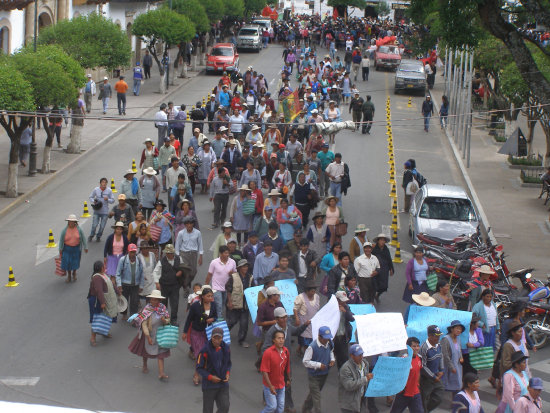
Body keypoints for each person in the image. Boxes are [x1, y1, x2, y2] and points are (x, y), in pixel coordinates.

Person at [262, 307, 309, 412]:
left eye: (285, 317)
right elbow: (264, 349)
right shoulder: (272, 332)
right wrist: (274, 354)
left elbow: (296, 331)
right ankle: (268, 397)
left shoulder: (288, 327)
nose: (284, 319)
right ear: (277, 319)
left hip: (285, 362)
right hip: (275, 364)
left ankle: (288, 405)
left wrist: (305, 325)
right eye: (282, 318)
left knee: (287, 383)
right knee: (272, 382)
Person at [128, 290, 171, 381]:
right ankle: (144, 364)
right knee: (146, 352)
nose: (154, 301)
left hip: (160, 334)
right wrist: (148, 337)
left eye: (157, 300)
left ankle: (161, 373)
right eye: (153, 299)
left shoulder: (163, 308)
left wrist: (165, 321)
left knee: (161, 353)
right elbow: (144, 324)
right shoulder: (147, 309)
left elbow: (168, 320)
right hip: (149, 334)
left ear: (159, 300)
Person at [182, 286, 217, 384]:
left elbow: (216, 316)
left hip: (208, 332)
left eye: (211, 296)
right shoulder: (195, 306)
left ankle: (204, 371)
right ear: (202, 297)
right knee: (200, 354)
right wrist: (185, 332)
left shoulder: (213, 305)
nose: (211, 298)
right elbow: (189, 319)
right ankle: (197, 374)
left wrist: (212, 319)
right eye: (208, 296)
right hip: (196, 332)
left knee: (208, 353)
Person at [196, 327, 231, 413]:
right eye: (214, 338)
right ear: (211, 337)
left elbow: (228, 363)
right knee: (208, 410)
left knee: (225, 406)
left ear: (222, 338)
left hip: (222, 384)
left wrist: (227, 373)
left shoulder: (226, 348)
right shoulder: (204, 350)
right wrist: (210, 377)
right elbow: (199, 367)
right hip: (209, 385)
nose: (216, 340)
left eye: (219, 338)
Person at [302, 326, 335, 413]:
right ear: (319, 336)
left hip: (324, 374)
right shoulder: (312, 347)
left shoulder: (329, 343)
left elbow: (331, 351)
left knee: (313, 394)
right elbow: (305, 361)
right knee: (317, 397)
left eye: (328, 338)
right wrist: (318, 365)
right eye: (325, 338)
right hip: (314, 376)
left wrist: (332, 359)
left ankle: (305, 409)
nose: (327, 340)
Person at [88, 260, 118, 347]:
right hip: (97, 300)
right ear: (101, 268)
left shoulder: (104, 275)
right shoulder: (97, 277)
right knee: (97, 318)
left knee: (107, 316)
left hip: (104, 300)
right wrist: (102, 302)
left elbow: (111, 284)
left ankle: (105, 332)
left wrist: (118, 291)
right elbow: (99, 291)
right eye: (103, 266)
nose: (105, 267)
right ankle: (93, 338)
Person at [390, 337, 423, 413]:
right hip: (403, 394)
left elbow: (418, 372)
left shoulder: (419, 358)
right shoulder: (404, 360)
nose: (416, 348)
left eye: (418, 346)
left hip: (415, 393)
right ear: (408, 347)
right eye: (414, 346)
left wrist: (417, 385)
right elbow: (396, 374)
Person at [260, 330, 291, 413]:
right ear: (273, 340)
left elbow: (287, 367)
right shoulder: (268, 353)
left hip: (281, 385)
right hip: (269, 386)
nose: (281, 340)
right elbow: (264, 371)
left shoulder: (286, 351)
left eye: (283, 338)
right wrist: (270, 386)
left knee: (280, 409)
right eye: (279, 338)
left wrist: (288, 379)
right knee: (272, 407)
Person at [174, 215, 203, 296]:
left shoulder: (198, 233)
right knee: (185, 271)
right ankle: (186, 288)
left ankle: (185, 284)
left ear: (193, 224)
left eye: (190, 223)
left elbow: (200, 244)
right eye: (187, 224)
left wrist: (201, 256)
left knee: (193, 271)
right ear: (185, 225)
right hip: (183, 254)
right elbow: (177, 245)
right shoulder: (181, 233)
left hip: (193, 254)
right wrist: (177, 256)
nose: (189, 225)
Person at [339, 343, 372, 413]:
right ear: (352, 356)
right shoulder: (345, 368)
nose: (361, 357)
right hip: (349, 404)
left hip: (361, 399)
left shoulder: (365, 364)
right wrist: (365, 379)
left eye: (361, 354)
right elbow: (349, 385)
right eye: (358, 355)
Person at [206, 245, 237, 319]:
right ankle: (219, 322)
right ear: (220, 253)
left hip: (227, 288)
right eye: (225, 253)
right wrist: (206, 286)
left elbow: (235, 274)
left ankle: (215, 317)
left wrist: (232, 273)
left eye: (228, 253)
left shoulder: (232, 262)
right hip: (216, 288)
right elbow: (209, 274)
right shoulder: (214, 262)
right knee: (219, 305)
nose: (227, 255)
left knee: (222, 305)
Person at [226, 259, 251, 347]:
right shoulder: (233, 277)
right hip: (235, 304)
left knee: (244, 324)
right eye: (244, 266)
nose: (245, 268)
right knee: (232, 321)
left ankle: (242, 340)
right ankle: (222, 333)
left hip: (245, 305)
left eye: (246, 266)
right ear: (239, 268)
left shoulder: (250, 277)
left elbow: (253, 291)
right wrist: (229, 302)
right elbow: (229, 290)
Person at [420, 325, 446, 412]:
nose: (438, 338)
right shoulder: (424, 348)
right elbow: (423, 366)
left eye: (439, 335)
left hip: (436, 376)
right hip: (426, 379)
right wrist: (433, 377)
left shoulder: (438, 345)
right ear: (429, 336)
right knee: (424, 398)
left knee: (439, 396)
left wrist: (441, 370)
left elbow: (441, 356)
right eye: (436, 336)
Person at [115, 243, 144, 319]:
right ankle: (124, 314)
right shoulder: (123, 260)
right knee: (125, 300)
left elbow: (142, 273)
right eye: (131, 252)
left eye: (134, 252)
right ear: (128, 252)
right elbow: (118, 273)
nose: (133, 254)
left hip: (135, 285)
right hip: (125, 284)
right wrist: (119, 285)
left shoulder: (139, 260)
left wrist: (141, 285)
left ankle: (133, 316)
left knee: (134, 301)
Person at [293, 279, 320, 355]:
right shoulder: (300, 297)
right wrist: (297, 318)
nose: (313, 293)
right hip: (304, 321)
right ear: (307, 291)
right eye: (311, 291)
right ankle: (307, 355)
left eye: (314, 291)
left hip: (313, 322)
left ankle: (299, 348)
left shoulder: (317, 297)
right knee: (305, 339)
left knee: (311, 337)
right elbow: (295, 308)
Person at [59, 214, 88, 283]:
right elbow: (61, 240)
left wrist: (85, 247)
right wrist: (60, 249)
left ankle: (74, 273)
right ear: (68, 222)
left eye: (72, 221)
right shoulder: (64, 230)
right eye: (70, 221)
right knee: (68, 263)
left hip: (76, 249)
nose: (71, 223)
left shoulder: (79, 229)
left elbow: (83, 238)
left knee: (75, 262)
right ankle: (69, 275)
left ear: (75, 222)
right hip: (67, 249)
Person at [442, 320, 465, 393]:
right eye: (457, 328)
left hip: (457, 365)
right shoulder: (445, 339)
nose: (459, 330)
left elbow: (459, 349)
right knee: (451, 386)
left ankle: (455, 402)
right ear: (452, 329)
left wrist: (461, 357)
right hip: (449, 366)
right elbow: (445, 355)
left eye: (460, 329)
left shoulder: (458, 339)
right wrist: (451, 367)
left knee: (458, 386)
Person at [89, 178, 115, 243]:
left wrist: (108, 199)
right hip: (97, 211)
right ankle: (92, 235)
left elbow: (113, 200)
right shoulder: (96, 190)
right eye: (103, 182)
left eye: (105, 182)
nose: (104, 184)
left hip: (105, 212)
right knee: (94, 225)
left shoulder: (109, 190)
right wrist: (93, 201)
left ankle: (98, 236)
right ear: (100, 183)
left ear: (106, 183)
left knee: (102, 226)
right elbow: (90, 197)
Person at [371, 233, 393, 301]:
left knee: (384, 286)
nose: (382, 242)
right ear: (378, 241)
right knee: (375, 285)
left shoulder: (386, 250)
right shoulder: (374, 250)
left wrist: (391, 268)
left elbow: (389, 259)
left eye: (383, 240)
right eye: (381, 240)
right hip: (376, 270)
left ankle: (378, 295)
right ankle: (372, 298)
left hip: (384, 270)